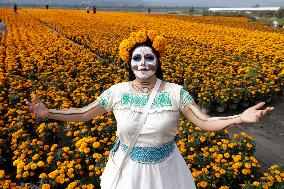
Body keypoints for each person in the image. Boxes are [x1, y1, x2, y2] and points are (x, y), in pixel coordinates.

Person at [24, 29, 274, 189]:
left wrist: (240, 117)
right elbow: (83, 113)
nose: (142, 63)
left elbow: (204, 122)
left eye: (148, 57)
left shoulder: (176, 93)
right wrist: (48, 113)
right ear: (129, 63)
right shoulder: (117, 92)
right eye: (137, 58)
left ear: (158, 61)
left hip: (166, 171)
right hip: (127, 171)